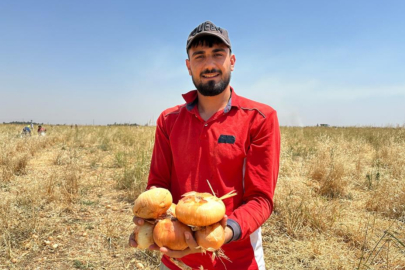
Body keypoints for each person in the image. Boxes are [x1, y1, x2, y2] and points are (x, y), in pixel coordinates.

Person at [129, 21, 280, 270]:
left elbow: (260, 199)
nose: (209, 64)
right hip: (176, 258)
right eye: (199, 56)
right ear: (188, 66)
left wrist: (221, 234)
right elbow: (158, 184)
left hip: (237, 260)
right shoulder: (168, 120)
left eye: (217, 54)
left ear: (232, 61)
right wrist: (149, 218)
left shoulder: (259, 118)